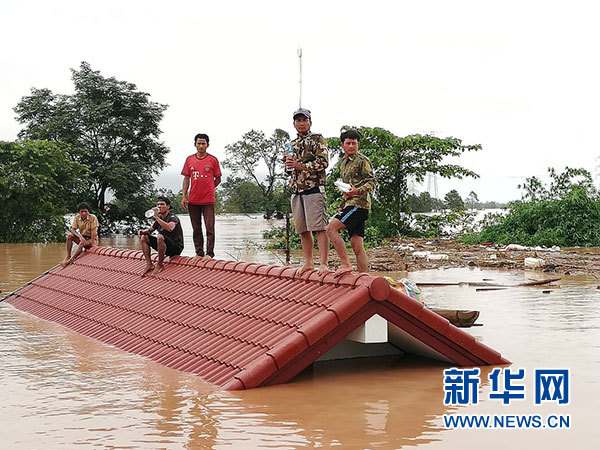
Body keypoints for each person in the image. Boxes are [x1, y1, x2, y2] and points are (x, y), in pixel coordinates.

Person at [285, 108, 329, 273]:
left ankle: (323, 263)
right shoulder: (290, 144)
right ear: (294, 123)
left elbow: (323, 163)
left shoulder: (317, 139)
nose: (301, 123)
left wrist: (300, 166)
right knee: (302, 229)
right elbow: (288, 170)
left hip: (314, 188)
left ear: (310, 122)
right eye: (298, 120)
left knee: (319, 227)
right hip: (296, 190)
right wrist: (288, 164)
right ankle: (308, 262)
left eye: (304, 120)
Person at [326, 129, 376, 275]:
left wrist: (357, 191)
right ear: (342, 145)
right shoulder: (343, 163)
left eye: (354, 143)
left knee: (331, 229)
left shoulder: (363, 161)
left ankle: (346, 264)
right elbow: (347, 187)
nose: (351, 146)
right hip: (350, 204)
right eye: (348, 143)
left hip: (358, 205)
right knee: (357, 245)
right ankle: (363, 277)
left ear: (358, 144)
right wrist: (343, 203)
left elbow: (372, 182)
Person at [181, 133, 222, 259]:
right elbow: (186, 179)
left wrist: (210, 188)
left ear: (207, 145)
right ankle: (199, 253)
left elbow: (218, 178)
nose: (201, 146)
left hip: (208, 200)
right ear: (195, 144)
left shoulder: (213, 160)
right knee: (196, 228)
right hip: (193, 200)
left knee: (210, 228)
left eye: (203, 143)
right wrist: (184, 196)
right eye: (198, 143)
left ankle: (209, 253)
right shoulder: (189, 160)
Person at [138, 196, 184, 276]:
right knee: (144, 238)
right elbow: (150, 231)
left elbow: (170, 228)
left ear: (168, 207)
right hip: (163, 245)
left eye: (162, 204)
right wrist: (143, 232)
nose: (159, 206)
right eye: (158, 204)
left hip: (175, 247)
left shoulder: (173, 218)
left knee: (160, 236)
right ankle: (149, 264)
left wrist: (156, 217)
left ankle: (159, 264)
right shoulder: (159, 220)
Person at [61, 202, 99, 267]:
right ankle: (68, 256)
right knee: (69, 236)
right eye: (82, 211)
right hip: (83, 237)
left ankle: (70, 260)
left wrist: (93, 244)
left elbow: (94, 232)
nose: (83, 213)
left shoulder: (93, 218)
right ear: (79, 212)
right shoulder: (77, 217)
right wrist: (80, 237)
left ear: (88, 212)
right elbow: (73, 230)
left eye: (85, 211)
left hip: (92, 239)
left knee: (82, 243)